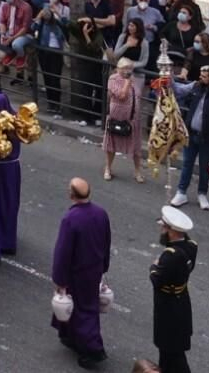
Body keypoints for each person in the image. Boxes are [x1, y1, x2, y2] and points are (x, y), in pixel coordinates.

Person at [51, 178, 110, 369]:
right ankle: (70, 336)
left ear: (71, 195)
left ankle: (92, 350)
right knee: (86, 306)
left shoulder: (70, 219)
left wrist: (60, 279)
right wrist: (104, 267)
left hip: (77, 273)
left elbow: (63, 252)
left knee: (82, 310)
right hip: (94, 269)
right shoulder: (101, 213)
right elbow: (106, 242)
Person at [169, 64, 209, 212]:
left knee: (204, 167)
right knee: (187, 164)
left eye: (204, 76)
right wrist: (168, 76)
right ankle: (181, 192)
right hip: (191, 134)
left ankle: (202, 194)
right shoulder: (196, 86)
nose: (200, 78)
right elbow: (178, 90)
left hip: (208, 138)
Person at [148, 205, 197, 373]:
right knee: (173, 352)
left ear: (172, 231)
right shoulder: (191, 246)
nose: (162, 230)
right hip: (181, 300)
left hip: (168, 307)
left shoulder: (170, 255)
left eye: (164, 227)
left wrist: (154, 266)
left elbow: (156, 279)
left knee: (170, 353)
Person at [102, 57, 142, 183]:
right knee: (111, 145)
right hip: (117, 117)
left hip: (132, 118)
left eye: (130, 68)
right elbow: (121, 95)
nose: (127, 71)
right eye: (125, 68)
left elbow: (138, 95)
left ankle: (137, 172)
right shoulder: (113, 79)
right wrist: (127, 82)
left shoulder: (133, 79)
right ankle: (108, 168)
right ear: (118, 68)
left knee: (136, 147)